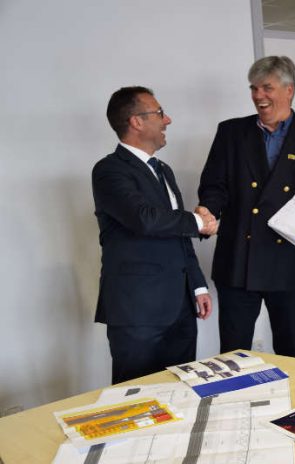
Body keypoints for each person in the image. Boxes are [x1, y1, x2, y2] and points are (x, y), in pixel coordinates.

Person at [197, 56, 295, 358]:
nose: (259, 96)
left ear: (290, 90)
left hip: (287, 262)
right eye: (254, 88)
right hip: (238, 260)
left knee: (289, 351)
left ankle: (291, 405)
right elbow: (214, 185)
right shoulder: (231, 133)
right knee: (232, 354)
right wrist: (208, 209)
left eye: (267, 88)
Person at [92, 86, 216, 384]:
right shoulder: (109, 171)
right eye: (159, 113)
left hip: (180, 308)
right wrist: (198, 221)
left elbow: (176, 233)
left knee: (181, 391)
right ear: (136, 121)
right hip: (137, 311)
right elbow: (144, 219)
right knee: (135, 399)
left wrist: (197, 285)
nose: (167, 120)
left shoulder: (164, 170)